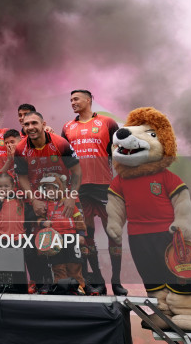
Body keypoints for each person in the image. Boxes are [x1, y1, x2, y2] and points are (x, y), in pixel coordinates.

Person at [61, 89, 125, 296]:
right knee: (86, 236)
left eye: (76, 99)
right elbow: (64, 157)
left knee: (113, 234)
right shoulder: (67, 127)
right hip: (79, 188)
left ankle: (116, 281)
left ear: (88, 100)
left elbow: (120, 151)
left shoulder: (107, 123)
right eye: (71, 99)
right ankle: (98, 280)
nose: (72, 102)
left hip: (104, 186)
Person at [14, 111, 81, 294]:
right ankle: (44, 283)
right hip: (39, 203)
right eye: (26, 124)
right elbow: (22, 176)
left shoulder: (60, 143)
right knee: (39, 244)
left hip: (64, 200)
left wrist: (71, 197)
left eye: (34, 123)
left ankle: (80, 284)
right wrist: (34, 200)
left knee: (74, 242)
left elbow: (77, 171)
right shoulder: (20, 149)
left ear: (43, 124)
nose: (30, 127)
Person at [36, 173, 86, 295]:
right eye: (46, 188)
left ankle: (79, 288)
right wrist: (43, 223)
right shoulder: (44, 205)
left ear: (59, 188)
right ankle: (60, 288)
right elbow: (39, 220)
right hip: (55, 238)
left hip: (71, 237)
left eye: (52, 188)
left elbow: (78, 219)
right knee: (58, 266)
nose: (49, 191)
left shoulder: (68, 202)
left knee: (74, 264)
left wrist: (81, 234)